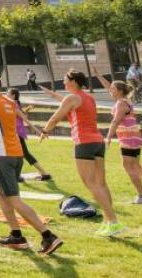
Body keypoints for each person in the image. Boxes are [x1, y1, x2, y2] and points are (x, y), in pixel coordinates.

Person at [0, 74, 63, 255]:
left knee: (13, 198)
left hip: (2, 154)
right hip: (15, 153)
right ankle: (16, 235)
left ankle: (48, 236)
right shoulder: (8, 101)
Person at [39, 71, 123, 237]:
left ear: (74, 82)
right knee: (101, 183)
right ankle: (108, 222)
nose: (63, 82)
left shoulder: (71, 98)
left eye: (65, 80)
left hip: (84, 142)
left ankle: (113, 222)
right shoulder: (88, 97)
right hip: (97, 141)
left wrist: (45, 130)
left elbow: (56, 117)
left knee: (91, 183)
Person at [99, 75, 142, 205]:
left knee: (128, 166)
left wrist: (108, 137)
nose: (110, 91)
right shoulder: (125, 100)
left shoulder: (121, 103)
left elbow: (115, 121)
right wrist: (98, 75)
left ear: (119, 91)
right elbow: (109, 86)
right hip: (133, 138)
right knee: (137, 166)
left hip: (128, 139)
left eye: (112, 89)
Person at [8, 88, 52, 182]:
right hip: (15, 133)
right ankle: (17, 175)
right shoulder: (14, 104)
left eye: (8, 94)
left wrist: (37, 131)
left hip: (17, 133)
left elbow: (25, 119)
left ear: (13, 96)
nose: (6, 95)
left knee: (24, 154)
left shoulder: (13, 105)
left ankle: (44, 173)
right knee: (19, 154)